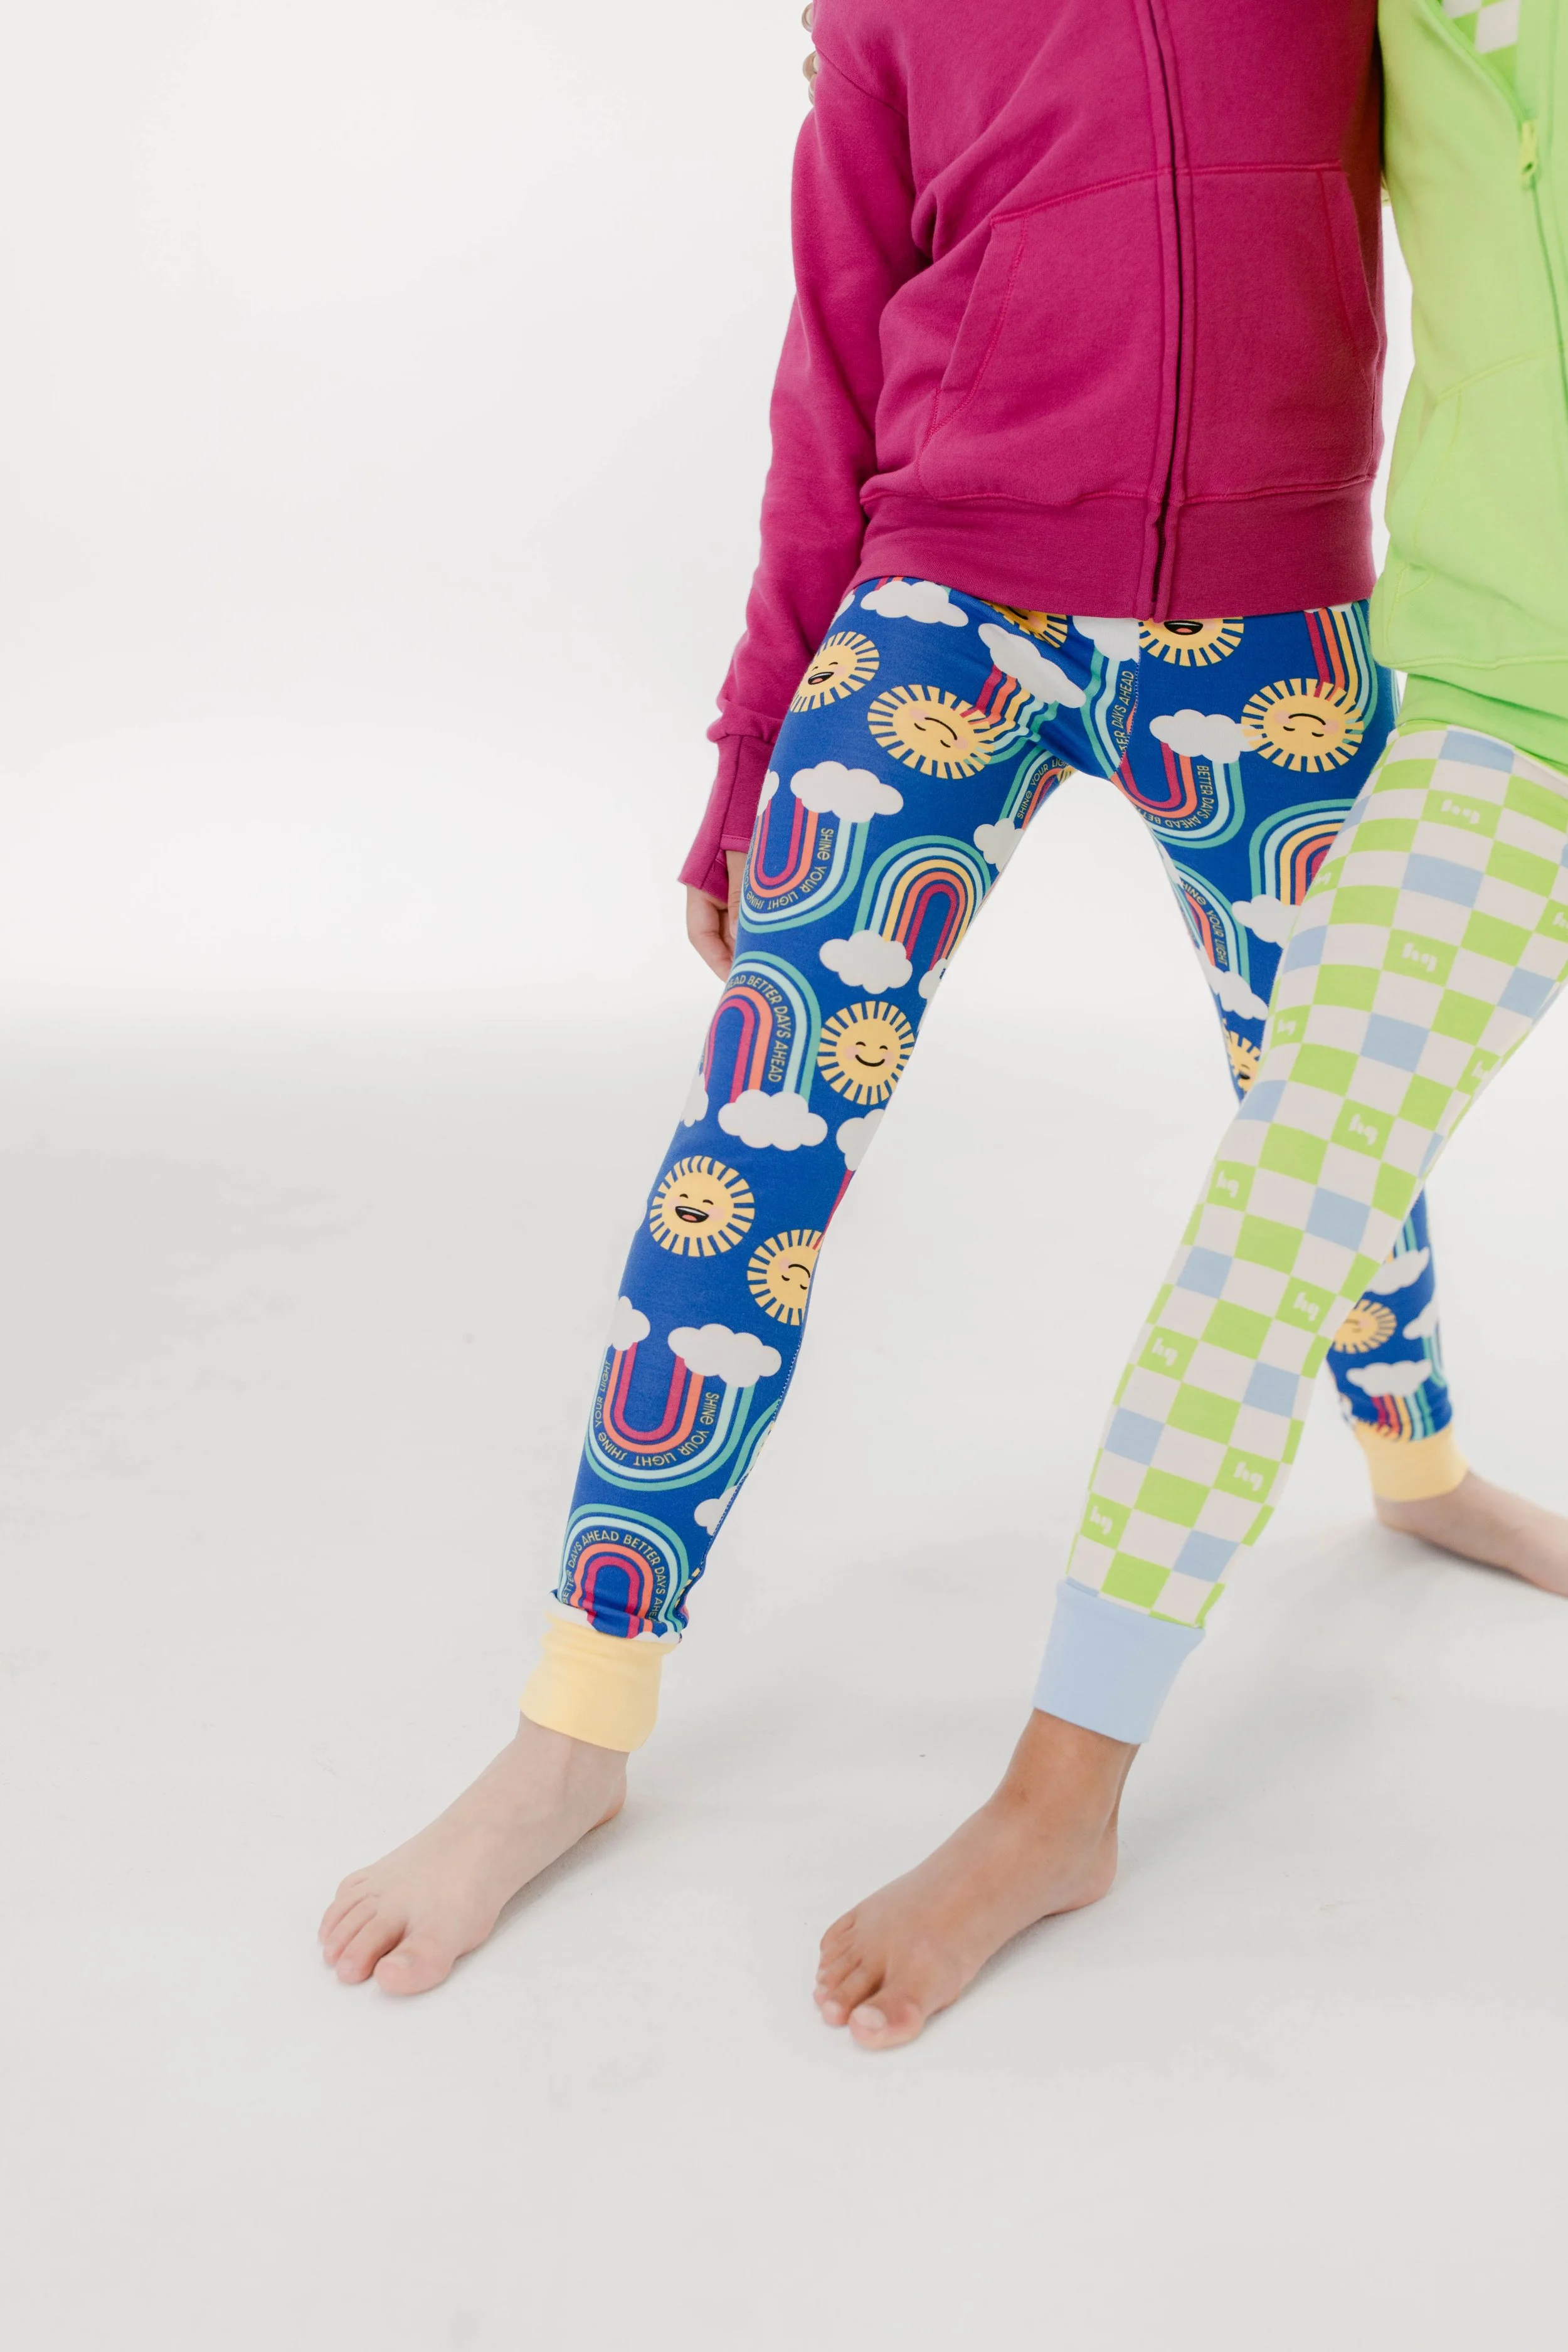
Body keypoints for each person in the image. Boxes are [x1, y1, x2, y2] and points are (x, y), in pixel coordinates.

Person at [319, 0, 1568, 2026]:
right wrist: (750, 757)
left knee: (1321, 1096)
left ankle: (1413, 1459)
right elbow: (827, 369)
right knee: (753, 1141)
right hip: (940, 617)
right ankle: (573, 1723)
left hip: (1268, 630)